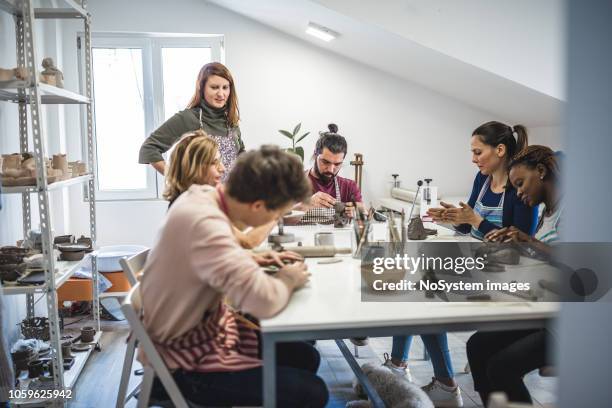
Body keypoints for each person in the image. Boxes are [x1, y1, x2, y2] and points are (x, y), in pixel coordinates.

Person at [140, 146, 328, 407]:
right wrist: (289, 279)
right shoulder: (206, 226)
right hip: (182, 361)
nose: (274, 220)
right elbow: (264, 302)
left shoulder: (202, 195)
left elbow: (206, 259)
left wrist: (253, 258)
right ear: (258, 205)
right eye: (275, 214)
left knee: (306, 356)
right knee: (313, 392)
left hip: (196, 330)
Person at [383, 121, 538, 408]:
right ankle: (412, 369)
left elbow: (521, 246)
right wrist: (453, 218)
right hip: (480, 262)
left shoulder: (520, 187)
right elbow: (469, 226)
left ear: (500, 150)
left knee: (423, 291)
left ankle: (434, 379)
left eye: (478, 152)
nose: (473, 158)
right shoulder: (482, 179)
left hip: (508, 274)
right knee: (417, 278)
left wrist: (474, 221)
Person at [468, 145, 562, 407]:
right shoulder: (548, 212)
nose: (519, 193)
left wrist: (528, 242)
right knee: (477, 346)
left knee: (502, 367)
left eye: (520, 184)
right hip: (545, 312)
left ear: (541, 171)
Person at [163, 129, 286, 250]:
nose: (222, 168)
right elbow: (247, 242)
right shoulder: (193, 206)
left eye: (220, 161)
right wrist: (278, 210)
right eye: (214, 163)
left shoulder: (193, 199)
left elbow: (235, 225)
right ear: (193, 168)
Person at [139, 62, 244, 178]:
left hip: (229, 194)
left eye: (225, 87)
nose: (221, 94)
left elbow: (241, 155)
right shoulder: (188, 118)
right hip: (200, 195)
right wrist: (176, 179)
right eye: (214, 87)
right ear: (201, 87)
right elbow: (149, 148)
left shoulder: (231, 121)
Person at [297, 123, 364, 224]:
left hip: (338, 239)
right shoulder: (293, 182)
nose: (331, 169)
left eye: (337, 164)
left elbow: (362, 223)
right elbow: (274, 219)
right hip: (302, 240)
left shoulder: (349, 187)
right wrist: (303, 206)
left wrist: (361, 214)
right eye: (325, 162)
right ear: (315, 154)